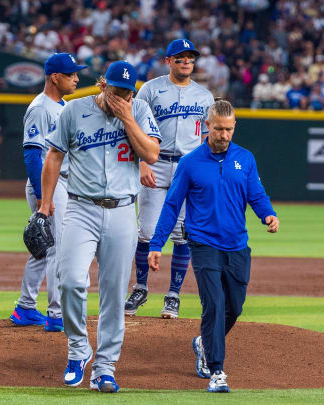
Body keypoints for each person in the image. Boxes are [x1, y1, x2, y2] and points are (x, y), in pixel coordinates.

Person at [40, 61, 160, 393]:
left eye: (126, 93)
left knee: (113, 294)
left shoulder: (138, 110)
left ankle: (105, 367)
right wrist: (45, 204)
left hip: (123, 212)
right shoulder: (74, 111)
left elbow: (151, 153)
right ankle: (78, 350)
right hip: (81, 208)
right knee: (71, 281)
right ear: (103, 84)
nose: (120, 97)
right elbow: (53, 156)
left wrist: (128, 118)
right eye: (115, 91)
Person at [148, 100, 279, 393]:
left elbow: (255, 193)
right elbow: (172, 205)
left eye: (229, 129)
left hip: (237, 244)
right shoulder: (190, 162)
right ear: (207, 126)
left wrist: (268, 214)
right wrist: (156, 244)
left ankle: (204, 342)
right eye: (219, 128)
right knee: (214, 304)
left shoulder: (245, 159)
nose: (224, 134)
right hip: (203, 243)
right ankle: (216, 370)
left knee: (235, 306)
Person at [124, 39, 214, 320]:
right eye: (180, 57)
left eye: (190, 57)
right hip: (156, 162)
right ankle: (140, 287)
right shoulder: (150, 89)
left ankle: (173, 295)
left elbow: (206, 139)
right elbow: (134, 128)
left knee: (181, 234)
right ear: (168, 61)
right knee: (147, 232)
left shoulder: (204, 96)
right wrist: (141, 163)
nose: (186, 61)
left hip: (189, 167)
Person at [9, 53, 87, 332]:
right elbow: (31, 154)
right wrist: (45, 197)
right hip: (50, 185)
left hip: (58, 183)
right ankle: (56, 314)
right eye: (71, 74)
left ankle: (25, 307)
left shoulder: (61, 106)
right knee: (59, 249)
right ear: (55, 77)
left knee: (44, 248)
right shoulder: (41, 108)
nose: (77, 78)